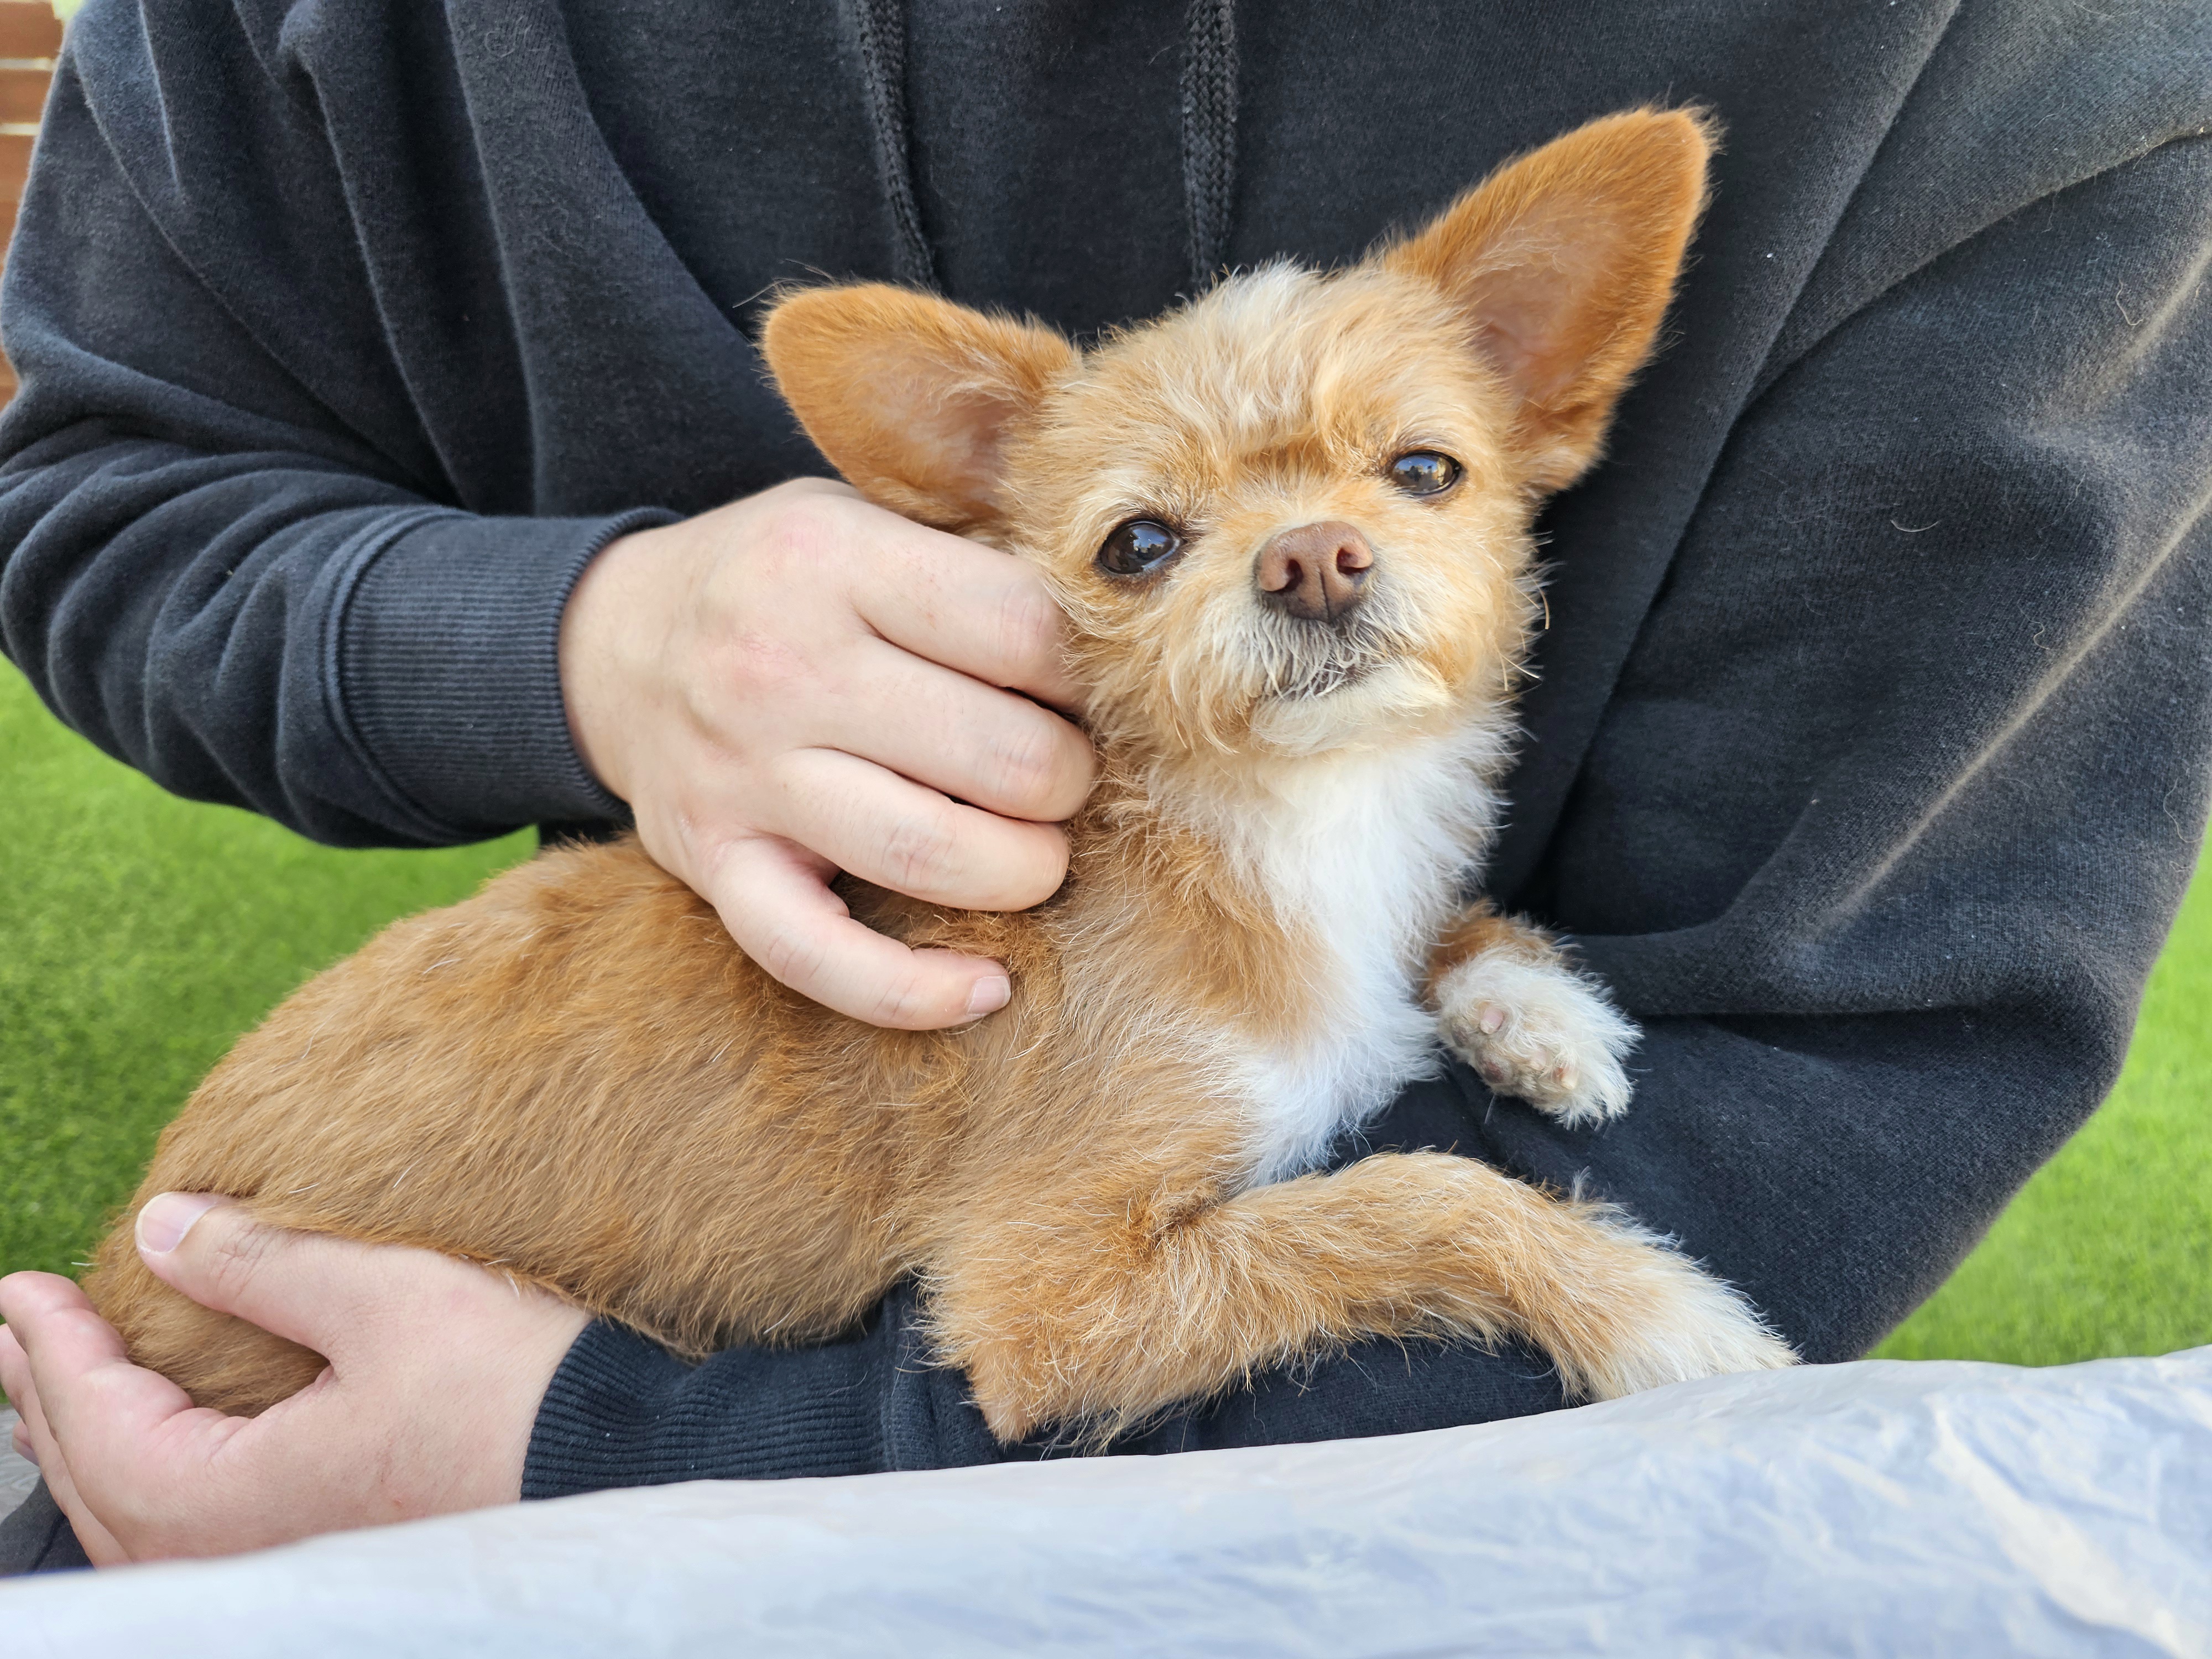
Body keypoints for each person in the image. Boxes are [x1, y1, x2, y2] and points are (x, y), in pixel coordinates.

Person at [2, 0, 2208, 1574]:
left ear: (1537, 404)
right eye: (1147, 543)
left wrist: (600, 1451)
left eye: (1409, 472)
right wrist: (569, 639)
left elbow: (1839, 1065)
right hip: (276, 1387)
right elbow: (111, 483)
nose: (1313, 553)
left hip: (1260, 1500)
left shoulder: (2036, 66)